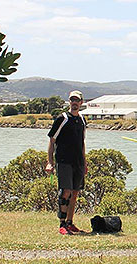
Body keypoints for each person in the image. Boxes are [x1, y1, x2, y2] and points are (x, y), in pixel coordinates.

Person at [45, 90, 88, 235]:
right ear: (69, 102)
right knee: (66, 192)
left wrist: (84, 162)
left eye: (77, 100)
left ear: (81, 102)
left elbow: (82, 142)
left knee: (75, 192)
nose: (74, 103)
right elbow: (52, 141)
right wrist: (49, 162)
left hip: (78, 162)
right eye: (72, 100)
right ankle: (62, 223)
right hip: (64, 161)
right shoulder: (62, 119)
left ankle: (70, 223)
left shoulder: (82, 120)